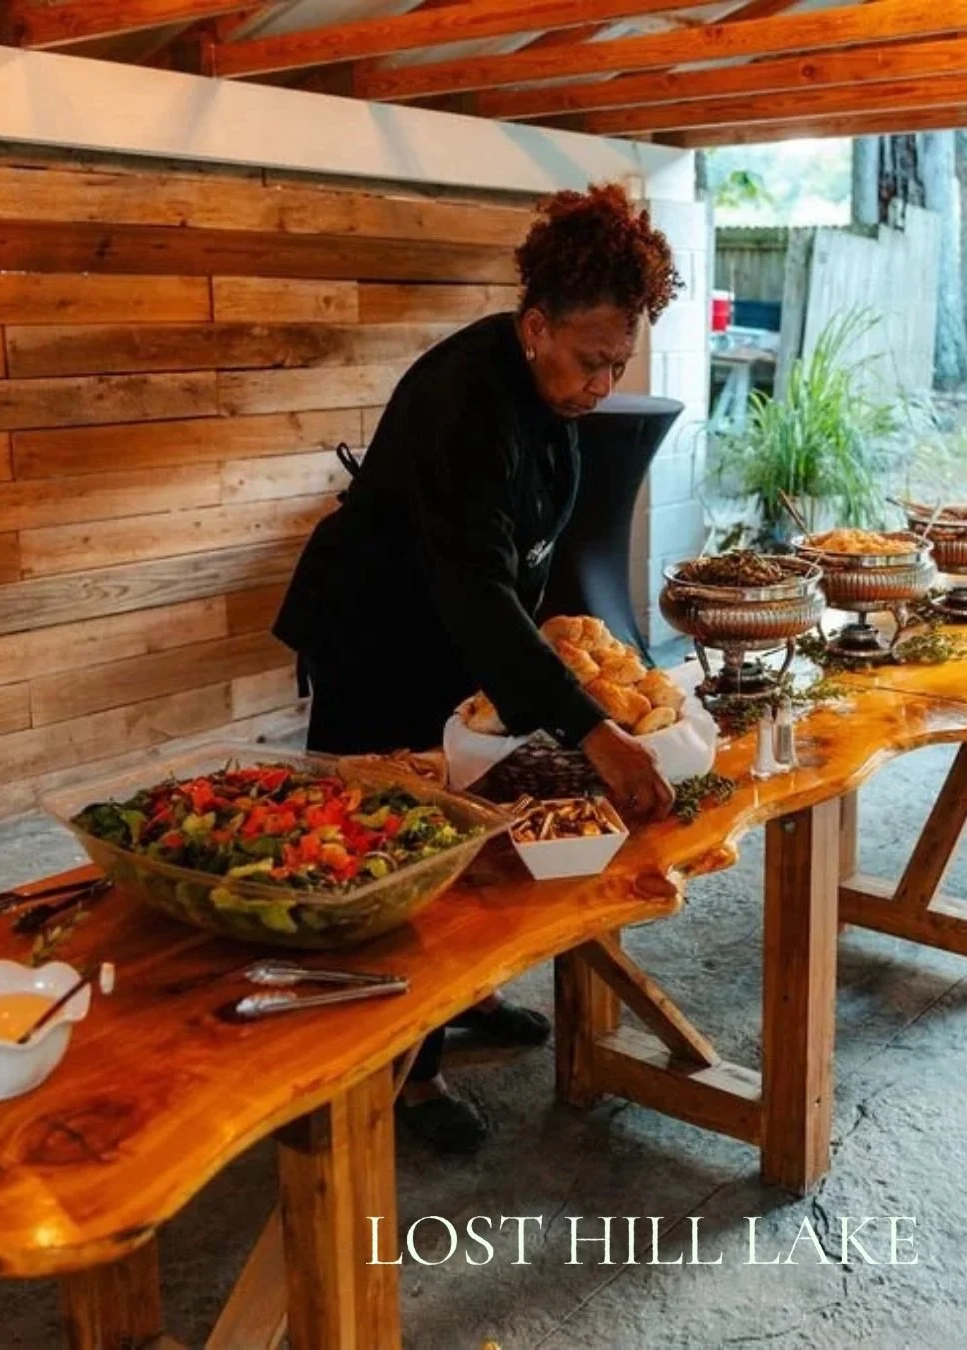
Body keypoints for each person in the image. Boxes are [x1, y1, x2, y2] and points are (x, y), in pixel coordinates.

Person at [273, 182, 681, 1153]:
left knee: (471, 831)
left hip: (449, 639)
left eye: (617, 366)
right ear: (535, 326)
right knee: (390, 860)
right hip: (374, 636)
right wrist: (594, 728)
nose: (600, 386)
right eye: (589, 361)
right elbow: (476, 592)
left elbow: (519, 569)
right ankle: (401, 1084)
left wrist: (558, 676)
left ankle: (462, 1004)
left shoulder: (542, 389)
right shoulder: (462, 402)